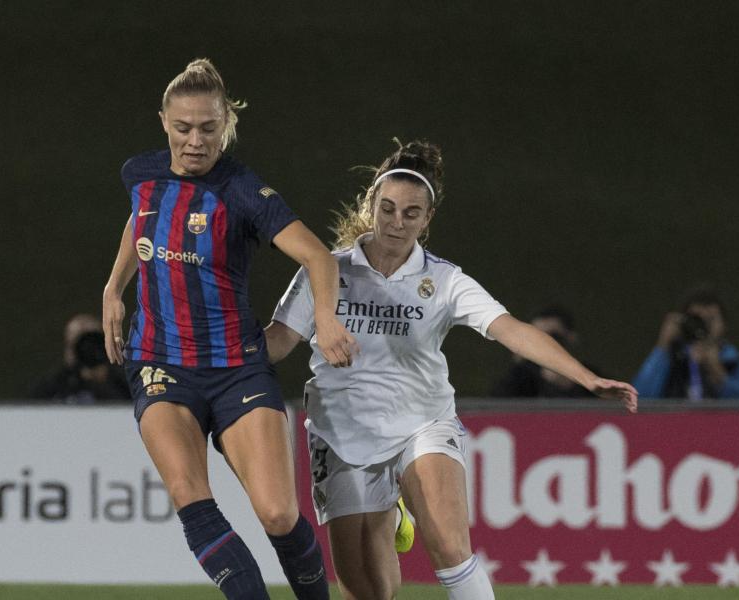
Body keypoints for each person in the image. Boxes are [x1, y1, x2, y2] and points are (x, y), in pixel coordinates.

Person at [264, 140, 638, 600]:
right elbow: (278, 341)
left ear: (427, 219)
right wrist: (204, 354)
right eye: (388, 209)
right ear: (371, 205)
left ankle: (402, 499)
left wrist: (586, 377)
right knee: (366, 588)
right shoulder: (326, 271)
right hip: (341, 429)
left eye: (411, 213)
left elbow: (511, 330)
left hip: (421, 421)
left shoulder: (443, 280)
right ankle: (391, 510)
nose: (396, 223)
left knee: (447, 544)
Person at [101, 58, 358, 600]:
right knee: (191, 495)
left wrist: (328, 318)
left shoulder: (241, 190)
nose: (195, 140)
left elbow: (318, 257)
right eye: (183, 128)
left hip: (236, 367)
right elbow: (139, 220)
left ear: (226, 126)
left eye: (208, 129)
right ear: (163, 122)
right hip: (159, 362)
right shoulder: (139, 174)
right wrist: (113, 287)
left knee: (279, 513)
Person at [632, 285, 739, 400]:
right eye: (697, 319)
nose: (703, 326)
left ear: (723, 325)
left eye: (710, 319)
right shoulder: (670, 359)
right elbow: (641, 398)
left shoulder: (736, 364)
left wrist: (716, 369)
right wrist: (662, 346)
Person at [489, 305, 599, 398]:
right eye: (536, 337)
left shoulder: (590, 375)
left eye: (553, 336)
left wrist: (569, 384)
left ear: (571, 338)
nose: (544, 344)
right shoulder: (521, 375)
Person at [30, 313, 130, 403]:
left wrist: (103, 382)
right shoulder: (52, 387)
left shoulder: (124, 384)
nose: (87, 351)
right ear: (67, 348)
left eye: (92, 344)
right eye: (80, 344)